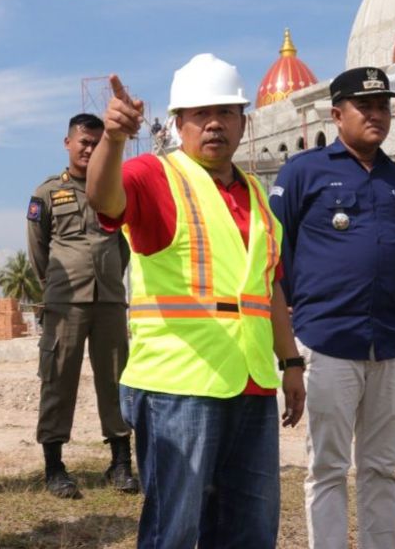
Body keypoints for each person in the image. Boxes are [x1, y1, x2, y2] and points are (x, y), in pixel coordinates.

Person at [86, 53, 305, 549]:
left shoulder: (258, 197)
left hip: (251, 384)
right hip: (177, 386)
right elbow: (103, 197)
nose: (214, 124)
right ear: (178, 123)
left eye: (226, 113)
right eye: (200, 114)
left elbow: (268, 288)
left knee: (250, 529)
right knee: (175, 531)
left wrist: (290, 362)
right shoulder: (155, 175)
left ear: (243, 122)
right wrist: (113, 138)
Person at [269, 67, 395, 549]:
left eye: (383, 106)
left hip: (392, 343)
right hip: (327, 342)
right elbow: (275, 254)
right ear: (337, 114)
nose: (377, 115)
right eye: (364, 106)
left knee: (381, 467)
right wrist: (288, 336)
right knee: (327, 467)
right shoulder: (303, 172)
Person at [27, 112, 137, 499]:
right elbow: (38, 249)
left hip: (108, 299)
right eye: (83, 142)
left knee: (116, 380)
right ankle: (55, 466)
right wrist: (58, 285)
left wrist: (108, 278)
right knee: (58, 381)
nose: (89, 149)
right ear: (68, 143)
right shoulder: (46, 194)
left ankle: (120, 462)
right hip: (65, 302)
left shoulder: (115, 188)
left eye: (96, 142)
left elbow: (124, 244)